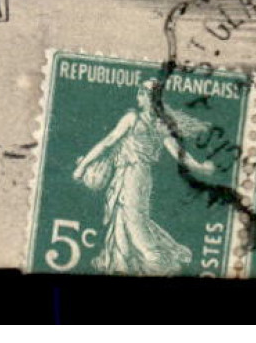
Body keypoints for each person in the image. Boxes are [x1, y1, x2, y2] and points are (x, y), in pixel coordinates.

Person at [72, 79, 215, 275]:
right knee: (127, 217)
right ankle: (121, 265)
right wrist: (200, 167)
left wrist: (82, 167)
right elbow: (180, 155)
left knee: (132, 219)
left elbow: (108, 142)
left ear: (148, 98)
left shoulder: (133, 118)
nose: (139, 96)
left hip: (131, 175)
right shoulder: (159, 126)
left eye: (142, 92)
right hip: (141, 177)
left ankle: (155, 259)